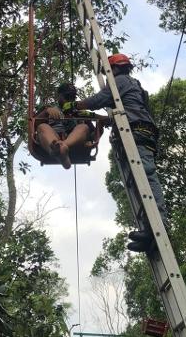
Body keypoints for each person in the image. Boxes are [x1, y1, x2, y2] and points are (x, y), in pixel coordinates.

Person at [62, 53, 168, 253]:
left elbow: (98, 99)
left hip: (137, 131)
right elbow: (118, 112)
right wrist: (98, 117)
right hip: (138, 130)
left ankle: (158, 226)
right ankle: (149, 232)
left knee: (145, 176)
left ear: (114, 69)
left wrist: (75, 106)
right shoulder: (132, 87)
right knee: (139, 182)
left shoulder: (120, 81)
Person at [34, 83, 92, 169]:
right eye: (66, 96)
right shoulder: (48, 108)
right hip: (52, 137)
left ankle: (61, 149)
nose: (68, 100)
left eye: (72, 97)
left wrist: (91, 139)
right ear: (59, 96)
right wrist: (46, 112)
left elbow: (92, 133)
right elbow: (35, 126)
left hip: (72, 140)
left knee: (83, 127)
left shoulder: (78, 111)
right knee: (42, 127)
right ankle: (56, 150)